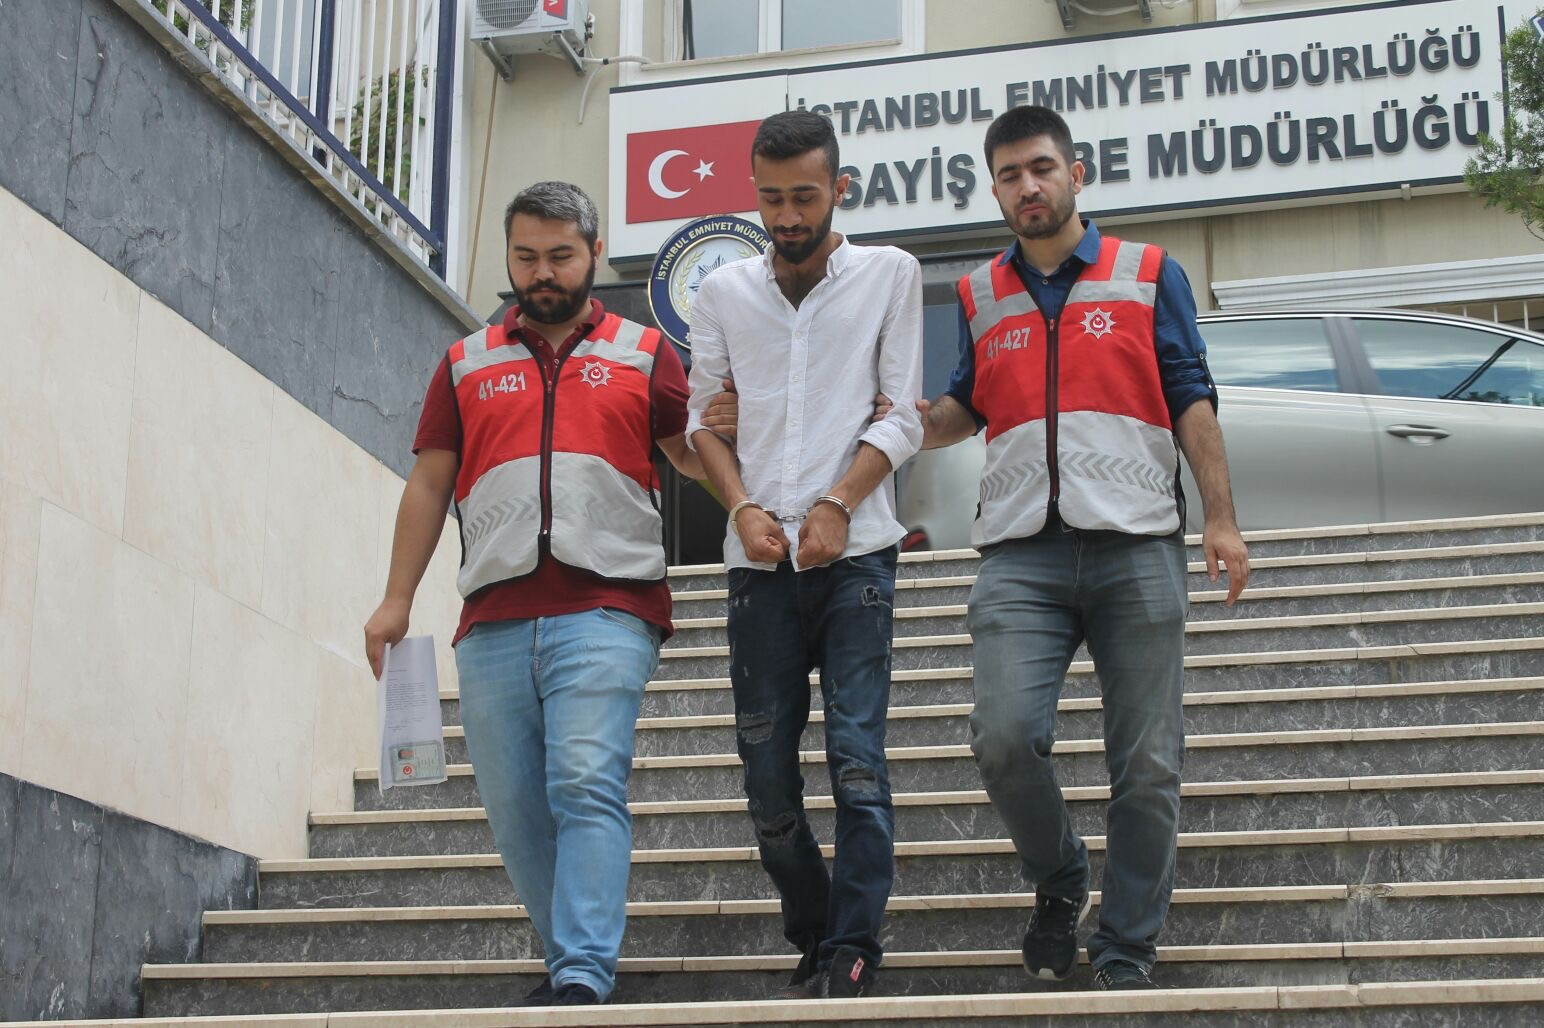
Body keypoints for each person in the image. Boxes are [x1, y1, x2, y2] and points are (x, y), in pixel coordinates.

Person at [916, 105, 1251, 990]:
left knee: (1148, 763)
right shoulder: (979, 293)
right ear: (995, 190)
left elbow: (1191, 395)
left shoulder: (1149, 272)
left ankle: (1126, 943)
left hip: (1135, 541)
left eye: (1041, 168)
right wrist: (907, 422)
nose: (1027, 186)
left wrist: (1220, 517)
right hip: (1020, 552)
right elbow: (964, 406)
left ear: (1076, 173)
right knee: (1002, 738)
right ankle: (1061, 878)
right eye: (1009, 175)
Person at [363, 181, 705, 1008]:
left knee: (584, 779)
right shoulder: (465, 362)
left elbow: (691, 454)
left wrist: (749, 472)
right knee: (516, 808)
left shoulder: (644, 352)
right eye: (526, 257)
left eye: (560, 255)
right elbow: (430, 481)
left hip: (610, 606)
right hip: (493, 617)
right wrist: (396, 598)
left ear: (594, 252)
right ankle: (568, 963)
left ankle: (582, 972)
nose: (542, 272)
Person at [686, 110, 924, 999]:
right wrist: (743, 507)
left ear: (840, 189)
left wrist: (837, 504)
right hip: (758, 567)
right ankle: (815, 927)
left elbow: (903, 414)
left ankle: (855, 943)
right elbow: (702, 424)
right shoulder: (723, 293)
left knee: (857, 761)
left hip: (857, 557)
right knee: (767, 781)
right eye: (772, 198)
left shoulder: (890, 275)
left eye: (805, 197)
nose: (787, 216)